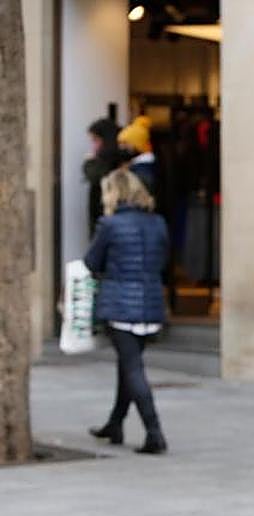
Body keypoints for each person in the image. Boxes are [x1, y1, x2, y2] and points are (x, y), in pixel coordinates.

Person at [84, 168, 170, 454]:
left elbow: (91, 262)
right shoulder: (158, 223)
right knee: (128, 365)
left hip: (121, 305)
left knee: (132, 368)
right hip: (151, 304)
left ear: (113, 193)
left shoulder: (110, 225)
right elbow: (163, 260)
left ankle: (154, 432)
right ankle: (115, 424)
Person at [83, 117, 122, 236]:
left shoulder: (111, 161)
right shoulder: (108, 160)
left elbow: (94, 176)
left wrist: (89, 162)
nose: (93, 146)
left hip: (108, 225)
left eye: (95, 140)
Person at [117, 115, 157, 196]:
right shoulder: (137, 166)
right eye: (120, 143)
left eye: (125, 143)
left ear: (138, 145)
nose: (121, 147)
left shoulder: (142, 171)